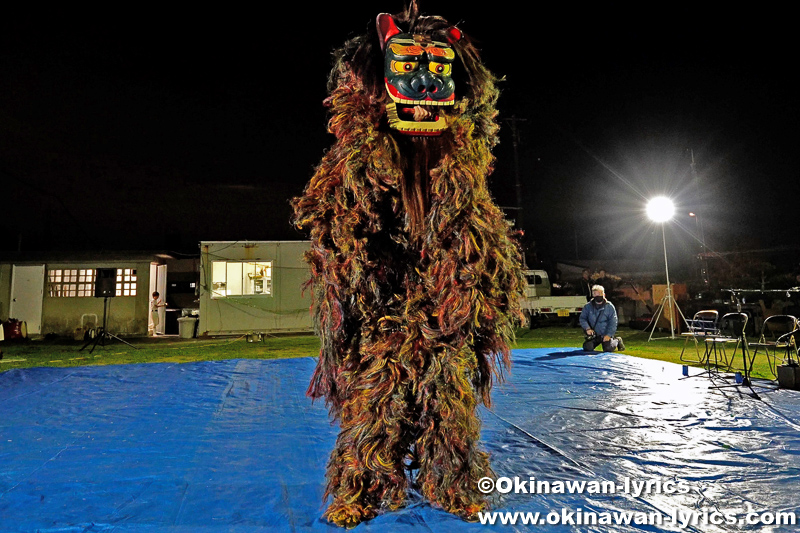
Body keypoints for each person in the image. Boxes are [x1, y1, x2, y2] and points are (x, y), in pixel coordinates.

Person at [579, 285, 625, 352]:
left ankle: (617, 340)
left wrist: (609, 335)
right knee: (587, 348)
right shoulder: (587, 307)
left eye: (599, 294)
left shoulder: (609, 307)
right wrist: (587, 328)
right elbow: (583, 318)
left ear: (604, 294)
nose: (597, 296)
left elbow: (613, 322)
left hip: (605, 334)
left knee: (608, 348)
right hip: (594, 335)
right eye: (595, 294)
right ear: (593, 295)